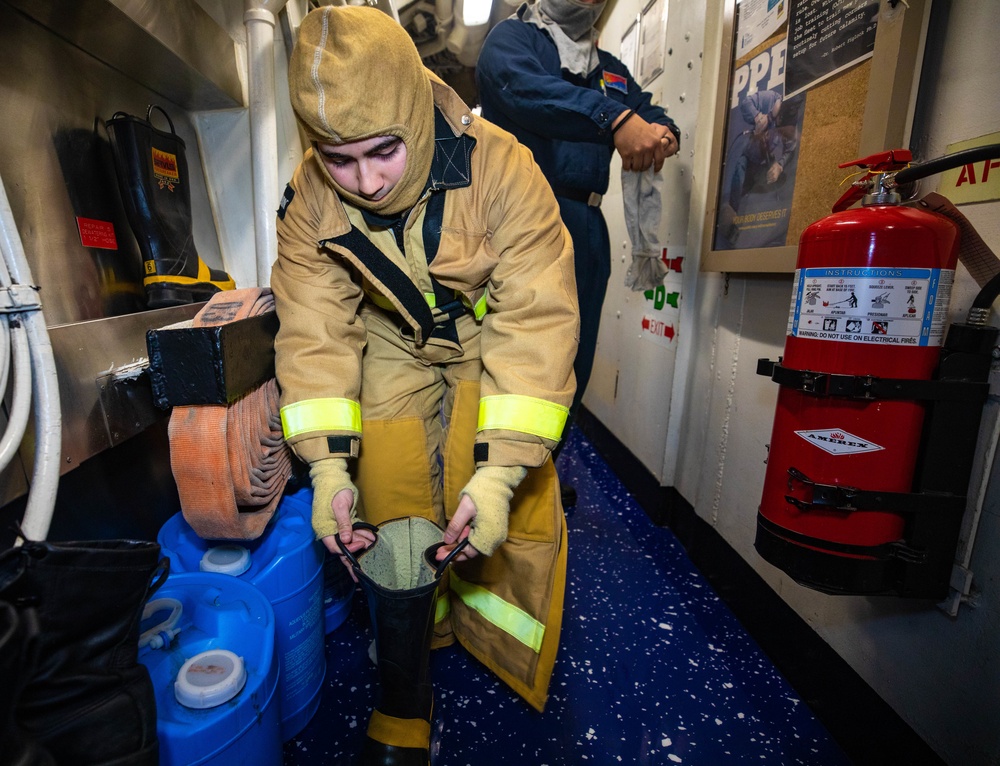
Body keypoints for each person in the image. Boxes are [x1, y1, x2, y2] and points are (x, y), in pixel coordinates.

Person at [270, 5, 578, 759]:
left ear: (413, 109)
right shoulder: (310, 199)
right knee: (393, 485)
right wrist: (328, 468)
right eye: (338, 159)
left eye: (382, 152)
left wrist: (503, 474)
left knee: (505, 494)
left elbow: (534, 319)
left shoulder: (503, 167)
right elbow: (314, 331)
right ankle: (411, 666)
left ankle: (493, 640)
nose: (366, 182)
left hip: (486, 334)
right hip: (391, 340)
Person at [476, 0, 680, 473]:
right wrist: (614, 119)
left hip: (586, 226)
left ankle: (541, 468)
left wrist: (662, 131)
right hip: (519, 217)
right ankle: (493, 466)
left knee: (575, 353)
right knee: (511, 348)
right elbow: (524, 89)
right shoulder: (515, 39)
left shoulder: (608, 70)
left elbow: (648, 109)